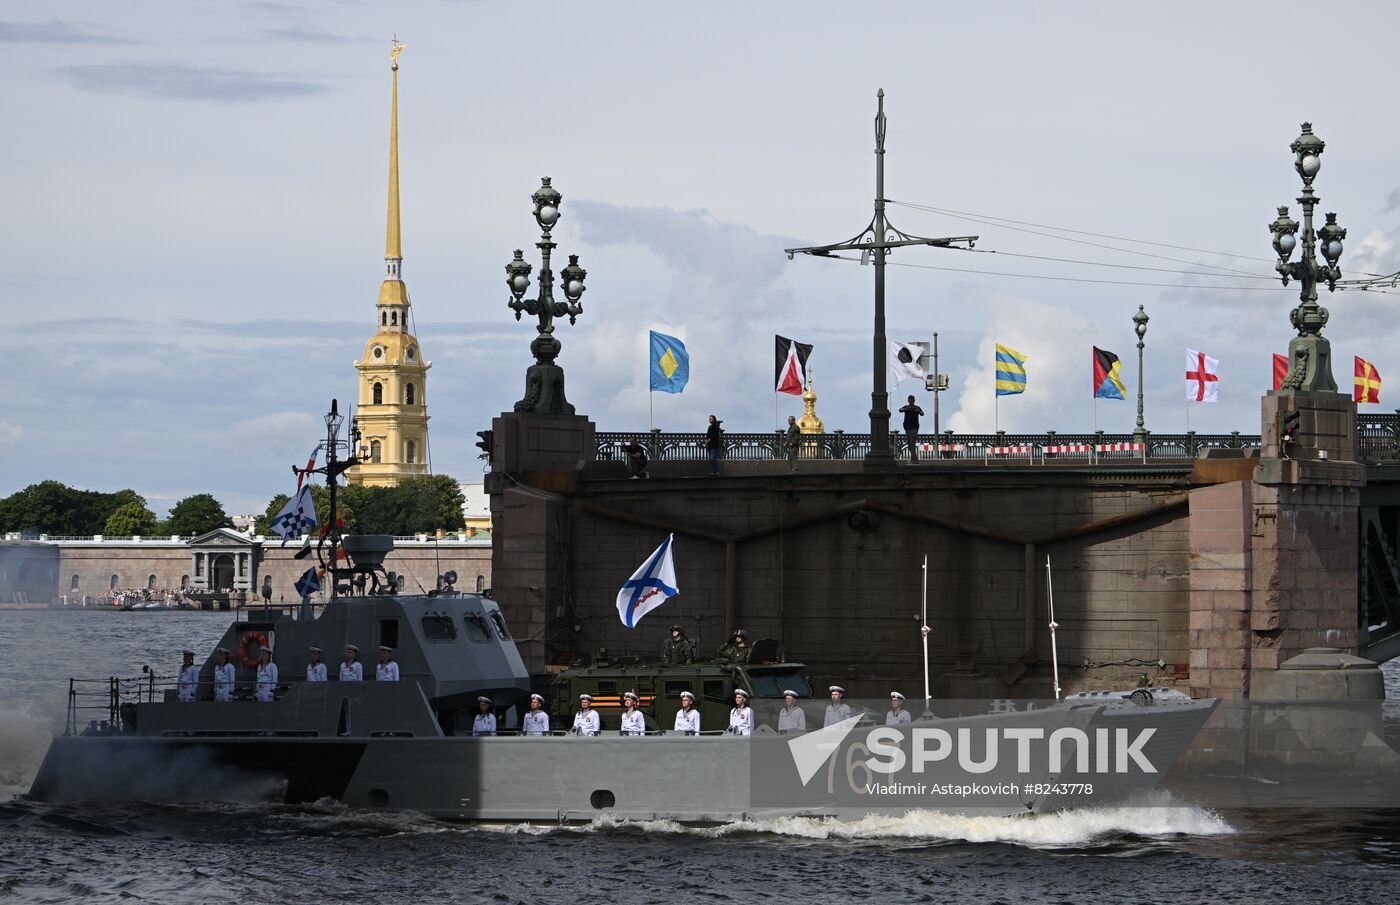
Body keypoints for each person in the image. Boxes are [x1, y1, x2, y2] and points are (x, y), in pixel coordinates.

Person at [898, 395, 924, 463]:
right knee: (909, 444)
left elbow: (922, 413)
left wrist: (918, 411)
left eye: (912, 400)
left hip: (914, 427)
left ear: (914, 400)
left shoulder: (917, 407)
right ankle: (914, 458)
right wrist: (905, 409)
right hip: (907, 427)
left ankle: (914, 459)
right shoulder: (906, 407)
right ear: (908, 400)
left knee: (912, 443)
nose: (911, 401)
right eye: (910, 400)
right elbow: (900, 410)